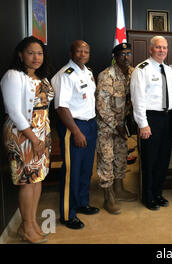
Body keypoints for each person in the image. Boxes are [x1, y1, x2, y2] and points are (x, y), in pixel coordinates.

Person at [1, 36, 53, 243]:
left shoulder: (42, 78)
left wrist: (43, 137)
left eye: (39, 53)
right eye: (31, 53)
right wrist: (34, 138)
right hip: (22, 135)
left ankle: (32, 224)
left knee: (37, 179)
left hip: (42, 134)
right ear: (21, 55)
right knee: (26, 181)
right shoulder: (13, 76)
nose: (36, 57)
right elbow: (14, 111)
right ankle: (25, 226)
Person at [51, 40, 99, 230]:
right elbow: (61, 108)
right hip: (74, 127)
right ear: (71, 52)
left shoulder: (88, 72)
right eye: (79, 51)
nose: (82, 54)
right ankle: (67, 214)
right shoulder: (65, 75)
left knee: (86, 169)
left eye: (86, 51)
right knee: (72, 171)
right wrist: (76, 131)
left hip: (90, 124)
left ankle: (81, 202)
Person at [130, 36, 172, 211]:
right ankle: (148, 196)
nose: (162, 50)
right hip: (151, 119)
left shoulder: (169, 70)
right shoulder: (141, 70)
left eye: (164, 47)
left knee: (163, 160)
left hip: (167, 118)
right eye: (158, 47)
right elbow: (137, 99)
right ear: (150, 49)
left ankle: (158, 193)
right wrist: (143, 124)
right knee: (150, 161)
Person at [96, 43, 137, 215]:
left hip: (123, 125)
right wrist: (115, 125)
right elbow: (102, 106)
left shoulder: (133, 73)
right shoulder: (107, 75)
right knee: (106, 158)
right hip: (107, 126)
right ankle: (108, 195)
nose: (126, 57)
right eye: (122, 54)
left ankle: (119, 188)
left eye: (128, 54)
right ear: (115, 57)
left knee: (120, 156)